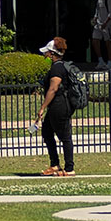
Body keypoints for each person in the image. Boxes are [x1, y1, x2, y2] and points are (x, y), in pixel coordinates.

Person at [39, 38, 83, 176]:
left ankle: (69, 168)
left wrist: (42, 107)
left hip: (60, 105)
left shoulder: (57, 68)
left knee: (65, 137)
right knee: (47, 132)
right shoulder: (60, 66)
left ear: (52, 53)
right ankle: (54, 164)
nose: (45, 56)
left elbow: (53, 89)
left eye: (47, 53)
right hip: (56, 106)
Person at [88, 0, 111, 69]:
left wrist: (105, 23)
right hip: (98, 24)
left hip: (107, 25)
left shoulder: (108, 0)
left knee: (108, 43)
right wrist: (95, 19)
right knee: (95, 41)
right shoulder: (98, 1)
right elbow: (97, 12)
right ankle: (101, 60)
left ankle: (110, 62)